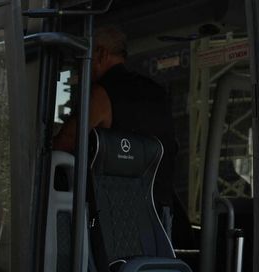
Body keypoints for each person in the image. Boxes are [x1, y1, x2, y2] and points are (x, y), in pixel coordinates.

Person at [53, 26, 179, 215]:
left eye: (82, 57)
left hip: (111, 216)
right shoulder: (157, 93)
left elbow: (64, 143)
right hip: (157, 216)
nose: (80, 67)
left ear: (101, 53)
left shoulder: (100, 94)